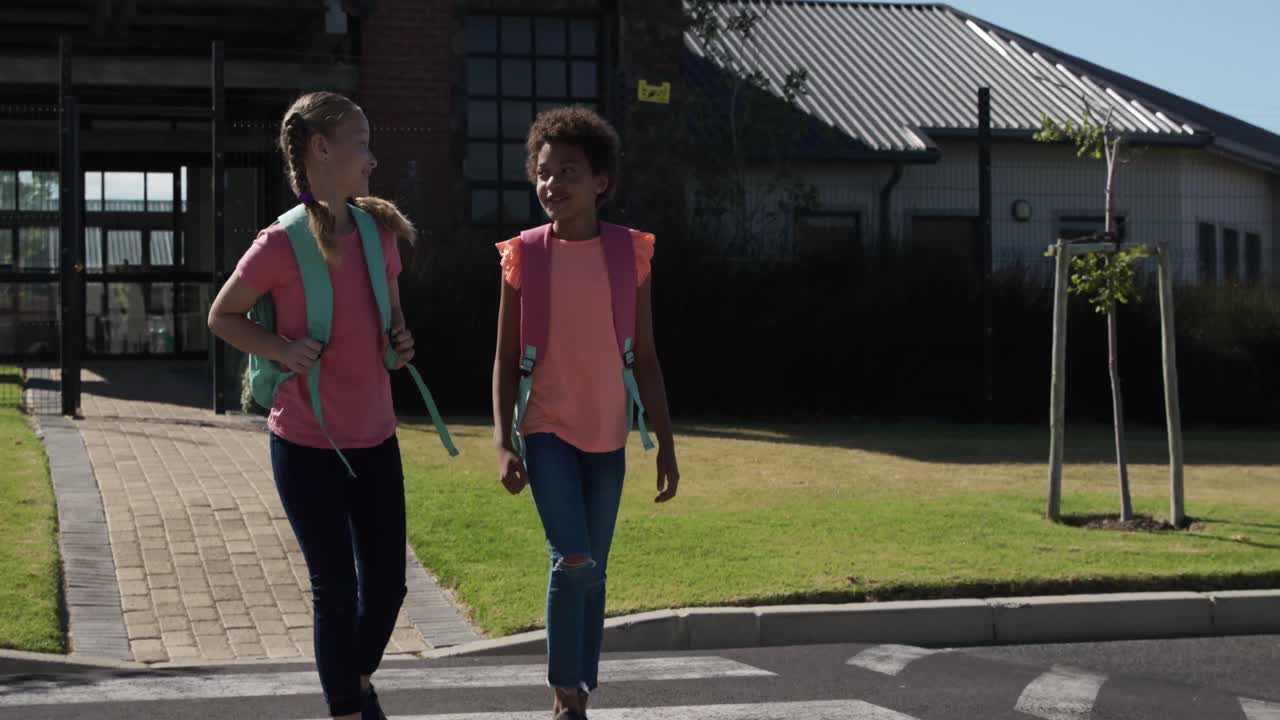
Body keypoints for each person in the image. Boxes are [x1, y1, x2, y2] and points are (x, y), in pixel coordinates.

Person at [207, 91, 417, 720]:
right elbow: (222, 316)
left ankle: (352, 679)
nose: (372, 159)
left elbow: (394, 325)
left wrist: (400, 344)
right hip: (305, 444)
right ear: (321, 149)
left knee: (389, 587)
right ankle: (347, 709)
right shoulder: (280, 243)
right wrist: (281, 348)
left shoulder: (380, 235)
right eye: (361, 143)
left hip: (376, 437)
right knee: (336, 588)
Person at [491, 106, 681, 720]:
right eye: (544, 173)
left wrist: (668, 444)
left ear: (600, 181)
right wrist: (502, 441)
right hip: (546, 431)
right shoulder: (525, 255)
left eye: (568, 172)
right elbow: (503, 358)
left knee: (593, 571)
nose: (553, 184)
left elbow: (646, 357)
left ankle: (581, 687)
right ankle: (564, 691)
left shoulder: (631, 255)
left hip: (609, 435)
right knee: (571, 557)